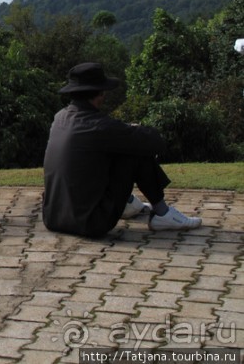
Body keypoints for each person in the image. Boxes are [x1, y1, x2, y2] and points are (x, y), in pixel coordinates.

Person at [42, 62, 201, 238]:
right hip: (90, 222)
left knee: (109, 152)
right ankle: (162, 213)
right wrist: (132, 128)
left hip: (54, 218)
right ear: (100, 93)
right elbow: (154, 142)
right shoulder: (100, 126)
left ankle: (129, 203)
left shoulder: (60, 118)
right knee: (133, 152)